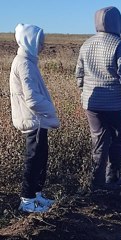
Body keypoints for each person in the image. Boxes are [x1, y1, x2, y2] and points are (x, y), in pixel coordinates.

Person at [75, 6, 121, 191]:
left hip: (92, 103)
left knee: (98, 140)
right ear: (118, 23)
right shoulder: (119, 45)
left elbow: (79, 74)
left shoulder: (86, 44)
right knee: (117, 141)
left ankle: (96, 182)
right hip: (116, 104)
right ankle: (113, 177)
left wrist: (84, 92)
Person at [9, 23, 60, 212]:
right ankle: (27, 201)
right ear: (30, 41)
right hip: (34, 119)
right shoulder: (24, 64)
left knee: (40, 158)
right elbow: (32, 98)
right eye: (40, 42)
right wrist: (51, 112)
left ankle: (36, 196)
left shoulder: (27, 62)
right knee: (33, 159)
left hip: (36, 119)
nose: (43, 46)